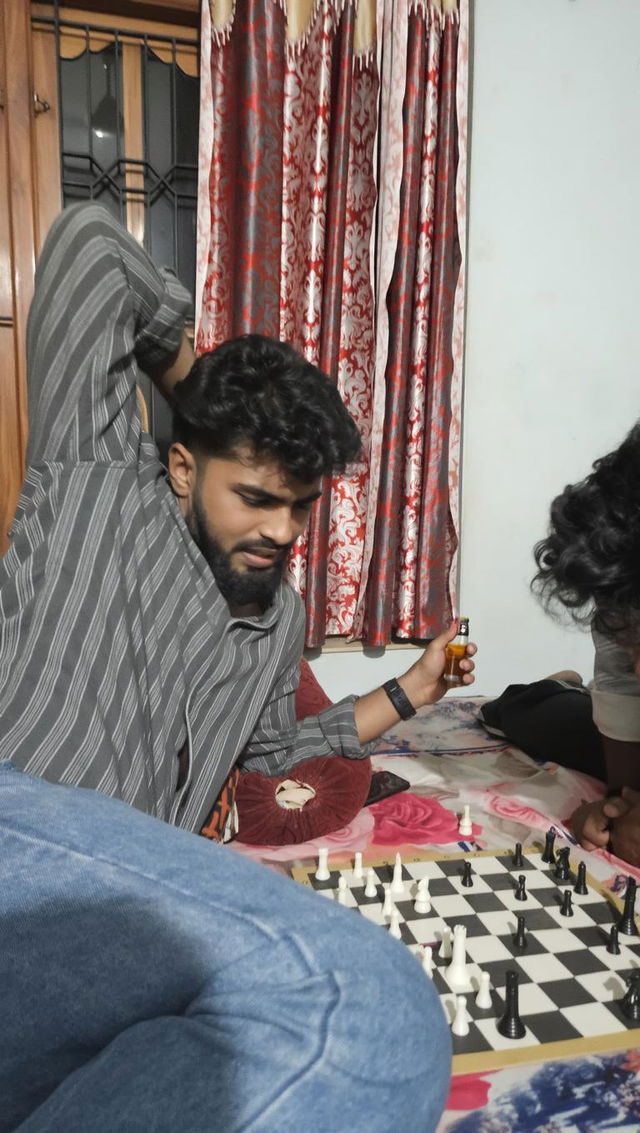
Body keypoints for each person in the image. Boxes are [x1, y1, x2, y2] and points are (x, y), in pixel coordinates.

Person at [0, 202, 475, 838]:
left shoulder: (278, 619)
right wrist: (207, 404)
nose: (283, 532)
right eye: (255, 498)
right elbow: (92, 248)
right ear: (184, 469)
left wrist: (412, 690)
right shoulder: (97, 486)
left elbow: (273, 751)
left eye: (300, 505)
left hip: (145, 891)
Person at [0, 762, 451, 1131]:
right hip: (31, 783)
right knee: (359, 1006)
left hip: (113, 826)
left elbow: (290, 755)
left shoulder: (269, 654)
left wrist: (406, 691)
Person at [530, 421, 640, 867]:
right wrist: (618, 811)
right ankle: (557, 689)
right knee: (531, 717)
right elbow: (623, 689)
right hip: (597, 711)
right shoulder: (623, 583)